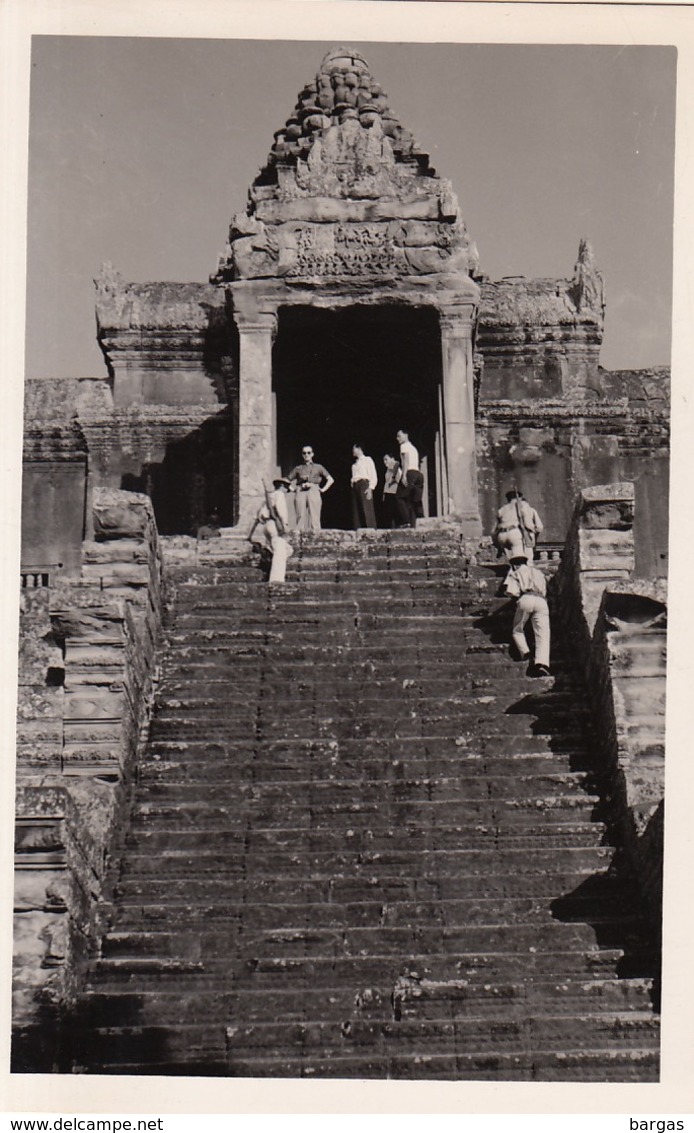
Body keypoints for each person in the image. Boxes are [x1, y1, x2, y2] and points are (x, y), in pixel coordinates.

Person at [502, 553, 551, 677]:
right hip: (541, 601)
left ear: (515, 565)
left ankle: (525, 652)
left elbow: (512, 592)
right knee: (543, 633)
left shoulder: (515, 572)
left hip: (526, 598)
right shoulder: (538, 573)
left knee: (517, 629)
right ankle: (542, 663)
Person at [248, 478, 294, 583]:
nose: (287, 490)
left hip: (266, 525)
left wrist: (250, 534)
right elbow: (281, 509)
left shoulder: (269, 497)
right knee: (280, 551)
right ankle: (276, 579)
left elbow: (256, 516)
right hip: (275, 524)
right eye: (286, 487)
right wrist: (284, 524)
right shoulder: (279, 495)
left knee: (288, 550)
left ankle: (269, 560)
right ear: (282, 486)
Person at [287, 446, 335, 532]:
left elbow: (330, 479)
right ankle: (300, 538)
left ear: (312, 454)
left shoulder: (318, 467)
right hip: (301, 490)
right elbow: (287, 480)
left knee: (315, 515)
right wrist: (294, 489)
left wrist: (323, 489)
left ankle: (316, 536)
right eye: (304, 453)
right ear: (302, 455)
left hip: (313, 490)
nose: (306, 455)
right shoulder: (298, 468)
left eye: (309, 453)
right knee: (300, 516)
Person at [493, 488, 543, 562]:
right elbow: (533, 525)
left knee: (510, 560)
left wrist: (497, 544)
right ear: (519, 498)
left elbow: (494, 530)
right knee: (522, 560)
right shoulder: (524, 505)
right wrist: (530, 534)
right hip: (515, 534)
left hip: (501, 536)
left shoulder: (502, 509)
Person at [395, 429, 424, 528]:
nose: (397, 438)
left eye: (399, 436)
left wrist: (404, 475)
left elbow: (405, 461)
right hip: (418, 474)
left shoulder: (404, 446)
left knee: (399, 497)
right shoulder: (413, 448)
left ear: (406, 434)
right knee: (415, 500)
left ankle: (406, 521)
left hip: (410, 473)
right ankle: (419, 521)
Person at [350, 444, 378, 529]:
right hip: (355, 486)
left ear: (359, 449)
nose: (352, 451)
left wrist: (370, 488)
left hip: (364, 484)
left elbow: (373, 474)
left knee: (367, 508)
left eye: (354, 449)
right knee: (356, 510)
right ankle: (358, 530)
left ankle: (371, 531)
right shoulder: (354, 465)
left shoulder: (367, 460)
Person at [382, 454, 403, 528]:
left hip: (394, 493)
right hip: (388, 493)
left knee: (395, 513)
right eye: (384, 460)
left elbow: (398, 480)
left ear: (392, 458)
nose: (385, 462)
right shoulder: (388, 469)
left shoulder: (396, 468)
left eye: (386, 459)